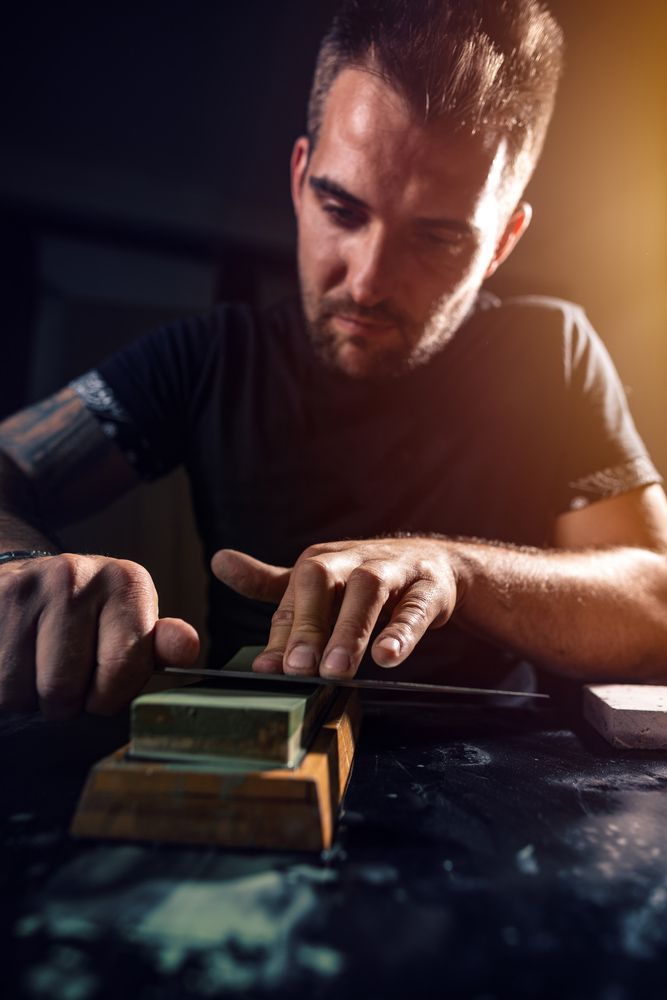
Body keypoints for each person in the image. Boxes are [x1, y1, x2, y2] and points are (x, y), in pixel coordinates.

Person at [1, 0, 666, 720]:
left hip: (496, 791)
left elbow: (654, 605)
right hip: (247, 766)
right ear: (298, 179)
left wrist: (453, 571)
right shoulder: (208, 357)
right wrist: (18, 566)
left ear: (502, 241)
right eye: (341, 211)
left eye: (437, 239)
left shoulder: (550, 350)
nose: (368, 281)